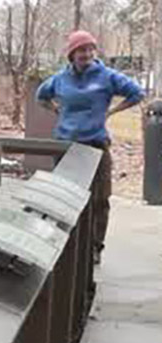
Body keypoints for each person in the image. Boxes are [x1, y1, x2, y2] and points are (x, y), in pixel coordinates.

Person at [36, 29, 146, 263]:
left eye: (89, 49)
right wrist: (56, 110)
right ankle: (63, 244)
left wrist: (112, 111)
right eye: (81, 50)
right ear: (71, 54)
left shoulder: (107, 76)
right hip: (65, 145)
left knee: (100, 198)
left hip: (96, 144)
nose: (86, 54)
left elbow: (137, 93)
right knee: (64, 197)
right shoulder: (61, 78)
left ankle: (95, 247)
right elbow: (41, 96)